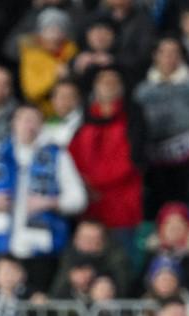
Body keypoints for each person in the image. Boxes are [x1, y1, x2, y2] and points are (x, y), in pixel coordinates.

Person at [0, 105, 87, 294]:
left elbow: (78, 199)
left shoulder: (57, 155)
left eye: (34, 120)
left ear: (41, 125)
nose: (28, 125)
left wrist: (50, 202)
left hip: (39, 249)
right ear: (14, 122)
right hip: (0, 245)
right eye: (23, 119)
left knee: (36, 308)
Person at [133, 37, 189, 214]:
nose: (169, 57)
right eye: (165, 52)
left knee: (188, 206)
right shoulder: (143, 90)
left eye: (175, 53)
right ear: (155, 55)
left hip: (188, 157)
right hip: (155, 160)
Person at [67, 67, 144, 249]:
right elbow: (72, 156)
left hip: (122, 204)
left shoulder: (133, 117)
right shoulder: (84, 118)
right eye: (103, 81)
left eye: (114, 81)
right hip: (89, 204)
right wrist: (82, 184)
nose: (108, 85)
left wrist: (93, 183)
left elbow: (131, 160)